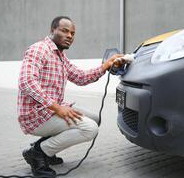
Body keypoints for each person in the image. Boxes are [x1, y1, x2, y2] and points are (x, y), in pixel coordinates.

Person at [17, 16, 124, 177]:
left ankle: (45, 148)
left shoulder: (60, 56)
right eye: (65, 31)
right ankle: (38, 153)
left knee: (95, 118)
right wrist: (57, 107)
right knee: (90, 129)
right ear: (52, 30)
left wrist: (105, 66)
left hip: (51, 111)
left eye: (72, 33)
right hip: (36, 115)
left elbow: (80, 77)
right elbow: (27, 82)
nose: (70, 36)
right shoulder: (39, 49)